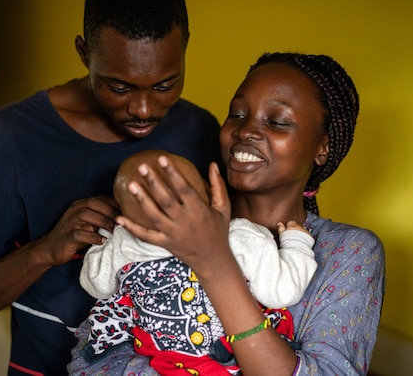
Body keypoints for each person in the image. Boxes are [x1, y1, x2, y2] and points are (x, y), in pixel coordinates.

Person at [0, 0, 222, 376]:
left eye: (165, 85)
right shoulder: (10, 139)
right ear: (84, 52)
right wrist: (47, 249)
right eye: (119, 87)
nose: (143, 110)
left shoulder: (200, 131)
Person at [72, 52, 385, 375]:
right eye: (236, 115)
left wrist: (214, 262)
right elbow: (102, 350)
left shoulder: (349, 251)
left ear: (322, 147)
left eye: (276, 121)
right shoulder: (166, 222)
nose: (245, 131)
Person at [73, 149, 316, 374]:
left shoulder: (122, 244)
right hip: (237, 360)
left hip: (164, 364)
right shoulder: (241, 237)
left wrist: (104, 239)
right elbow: (283, 292)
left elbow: (95, 284)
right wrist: (297, 244)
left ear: (125, 216)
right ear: (213, 194)